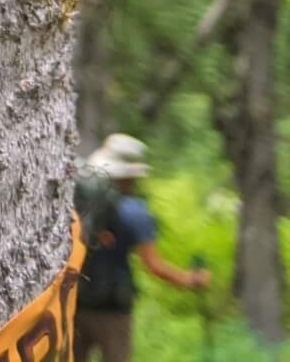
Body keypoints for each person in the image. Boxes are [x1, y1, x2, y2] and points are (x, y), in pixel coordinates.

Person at [74, 133, 211, 362]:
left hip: (77, 302)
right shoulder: (135, 212)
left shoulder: (80, 203)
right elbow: (154, 265)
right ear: (132, 174)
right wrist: (191, 279)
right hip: (114, 309)